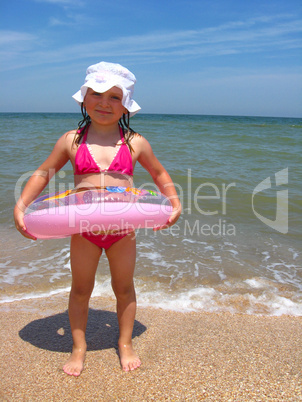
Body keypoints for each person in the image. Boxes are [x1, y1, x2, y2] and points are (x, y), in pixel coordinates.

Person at [14, 61, 181, 376]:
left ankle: (126, 343)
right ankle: (79, 348)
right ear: (84, 98)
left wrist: (173, 202)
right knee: (80, 289)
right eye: (97, 94)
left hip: (122, 230)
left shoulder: (135, 143)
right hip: (85, 229)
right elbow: (43, 173)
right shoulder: (71, 140)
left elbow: (158, 173)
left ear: (126, 105)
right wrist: (22, 205)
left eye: (115, 97)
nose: (105, 102)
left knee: (124, 287)